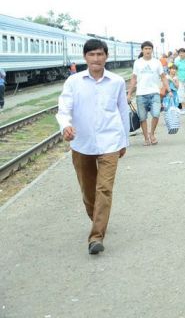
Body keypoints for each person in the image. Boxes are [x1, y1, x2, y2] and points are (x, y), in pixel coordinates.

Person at [55, 39, 129, 254]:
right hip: (82, 143)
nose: (96, 58)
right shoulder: (73, 82)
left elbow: (122, 111)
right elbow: (63, 108)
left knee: (104, 189)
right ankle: (97, 217)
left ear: (106, 56)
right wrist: (66, 126)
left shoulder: (116, 82)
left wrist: (124, 141)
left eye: (100, 54)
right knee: (88, 191)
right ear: (85, 57)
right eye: (92, 55)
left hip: (111, 141)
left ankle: (96, 236)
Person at [127, 41, 170, 146]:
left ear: (152, 50)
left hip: (154, 92)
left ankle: (152, 134)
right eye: (145, 49)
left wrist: (168, 89)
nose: (147, 50)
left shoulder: (157, 62)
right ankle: (146, 138)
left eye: (149, 49)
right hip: (141, 94)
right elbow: (134, 78)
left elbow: (163, 77)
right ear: (142, 50)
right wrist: (129, 94)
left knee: (156, 114)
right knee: (142, 117)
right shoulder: (137, 62)